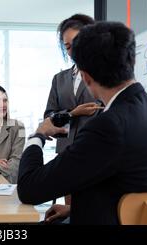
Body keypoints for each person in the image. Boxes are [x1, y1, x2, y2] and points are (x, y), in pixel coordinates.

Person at [17, 21, 147, 225]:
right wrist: (73, 208)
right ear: (132, 61)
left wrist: (38, 136)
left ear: (85, 77)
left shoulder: (109, 126)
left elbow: (29, 189)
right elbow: (132, 187)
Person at [43, 13, 104, 222]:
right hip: (67, 155)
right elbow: (49, 116)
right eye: (67, 46)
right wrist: (72, 113)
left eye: (77, 43)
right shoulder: (59, 79)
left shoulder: (105, 75)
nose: (72, 51)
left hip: (96, 153)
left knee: (92, 210)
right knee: (71, 213)